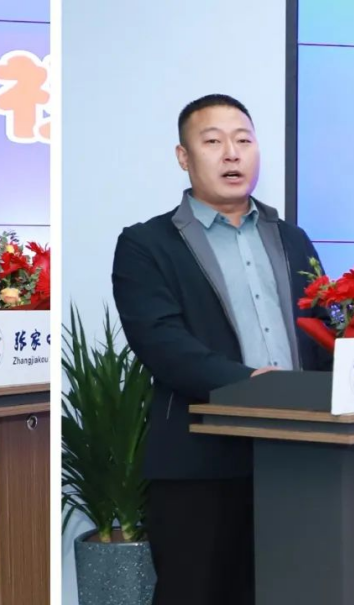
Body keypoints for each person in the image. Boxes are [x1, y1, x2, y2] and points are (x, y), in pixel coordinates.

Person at [111, 93, 332, 604]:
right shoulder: (147, 244)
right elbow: (160, 341)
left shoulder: (293, 239)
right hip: (199, 459)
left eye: (243, 140)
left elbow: (322, 330)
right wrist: (249, 385)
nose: (232, 153)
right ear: (183, 157)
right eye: (212, 142)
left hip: (301, 455)